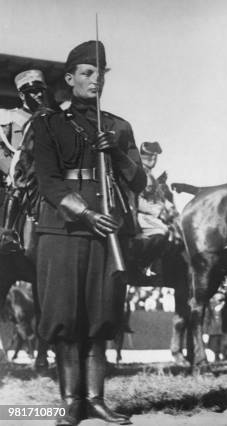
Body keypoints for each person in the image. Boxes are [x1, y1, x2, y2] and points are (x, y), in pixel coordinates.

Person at [32, 40, 146, 425]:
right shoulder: (47, 123)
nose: (95, 80)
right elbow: (47, 182)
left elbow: (139, 180)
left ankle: (96, 401)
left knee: (100, 316)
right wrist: (85, 214)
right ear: (70, 78)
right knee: (65, 318)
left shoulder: (118, 126)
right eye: (86, 73)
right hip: (62, 229)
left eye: (100, 74)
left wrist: (114, 151)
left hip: (108, 231)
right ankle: (69, 404)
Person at [1, 69, 49, 235]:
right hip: (19, 179)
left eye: (40, 90)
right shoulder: (8, 117)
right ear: (22, 96)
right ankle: (7, 233)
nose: (38, 95)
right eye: (32, 92)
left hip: (45, 178)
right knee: (15, 189)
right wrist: (11, 172)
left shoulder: (50, 118)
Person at [134, 141, 170, 275]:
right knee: (161, 231)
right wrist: (156, 210)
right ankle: (141, 265)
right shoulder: (139, 173)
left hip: (151, 213)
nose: (153, 159)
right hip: (138, 214)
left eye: (155, 157)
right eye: (149, 156)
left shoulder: (150, 174)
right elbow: (135, 198)